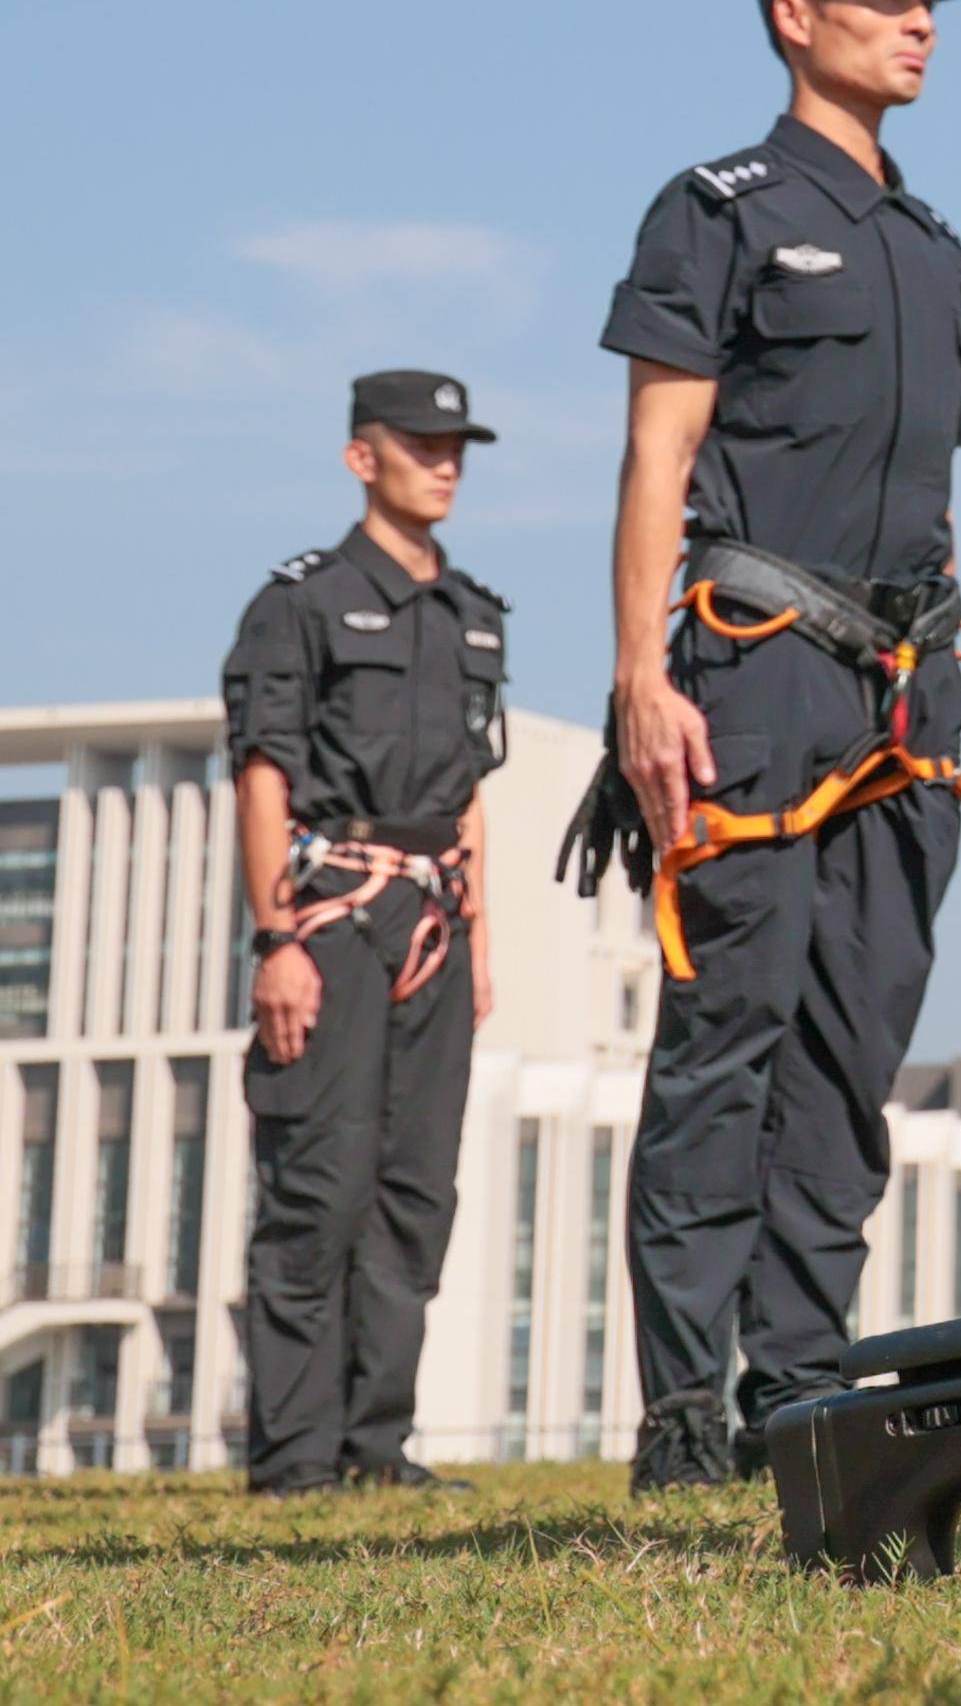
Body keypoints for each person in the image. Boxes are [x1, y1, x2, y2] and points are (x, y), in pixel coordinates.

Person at [588, 0, 961, 1490]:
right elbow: (656, 459)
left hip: (906, 695)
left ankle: (803, 1387)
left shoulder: (944, 254)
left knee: (851, 1046)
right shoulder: (721, 209)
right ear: (790, 15)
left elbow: (928, 490)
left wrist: (958, 636)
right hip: (748, 672)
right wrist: (640, 678)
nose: (919, 20)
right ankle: (689, 1410)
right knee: (725, 1037)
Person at [224, 373, 510, 1495]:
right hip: (331, 914)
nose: (445, 463)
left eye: (457, 447)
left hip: (438, 918)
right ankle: (293, 1460)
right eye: (422, 445)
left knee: (413, 1190)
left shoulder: (476, 612)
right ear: (362, 459)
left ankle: (376, 1447)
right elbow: (262, 775)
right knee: (318, 1182)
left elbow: (474, 794)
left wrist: (483, 944)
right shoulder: (297, 601)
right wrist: (273, 941)